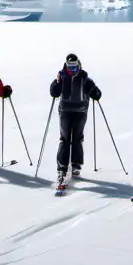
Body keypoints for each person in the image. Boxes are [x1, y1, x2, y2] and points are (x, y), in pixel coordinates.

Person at [49, 53, 101, 181]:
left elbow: (96, 92)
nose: (72, 69)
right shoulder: (62, 76)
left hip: (80, 111)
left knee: (77, 138)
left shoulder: (84, 77)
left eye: (74, 66)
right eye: (69, 66)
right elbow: (54, 92)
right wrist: (57, 83)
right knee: (65, 138)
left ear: (78, 64)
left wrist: (95, 92)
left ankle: (76, 165)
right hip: (65, 111)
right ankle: (62, 166)